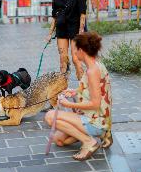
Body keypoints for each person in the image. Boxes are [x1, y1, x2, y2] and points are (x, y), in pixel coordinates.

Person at [44, 32, 113, 161]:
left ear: (81, 50)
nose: (74, 53)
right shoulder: (96, 65)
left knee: (50, 116)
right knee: (58, 140)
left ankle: (89, 142)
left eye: (75, 49)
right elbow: (96, 90)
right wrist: (75, 92)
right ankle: (103, 134)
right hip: (96, 118)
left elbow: (95, 103)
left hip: (95, 121)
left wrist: (68, 104)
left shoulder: (92, 71)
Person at [45, 0, 86, 80]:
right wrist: (49, 34)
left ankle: (83, 87)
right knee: (63, 59)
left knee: (76, 59)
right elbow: (54, 17)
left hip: (75, 29)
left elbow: (82, 15)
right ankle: (63, 88)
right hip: (61, 29)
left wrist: (81, 31)